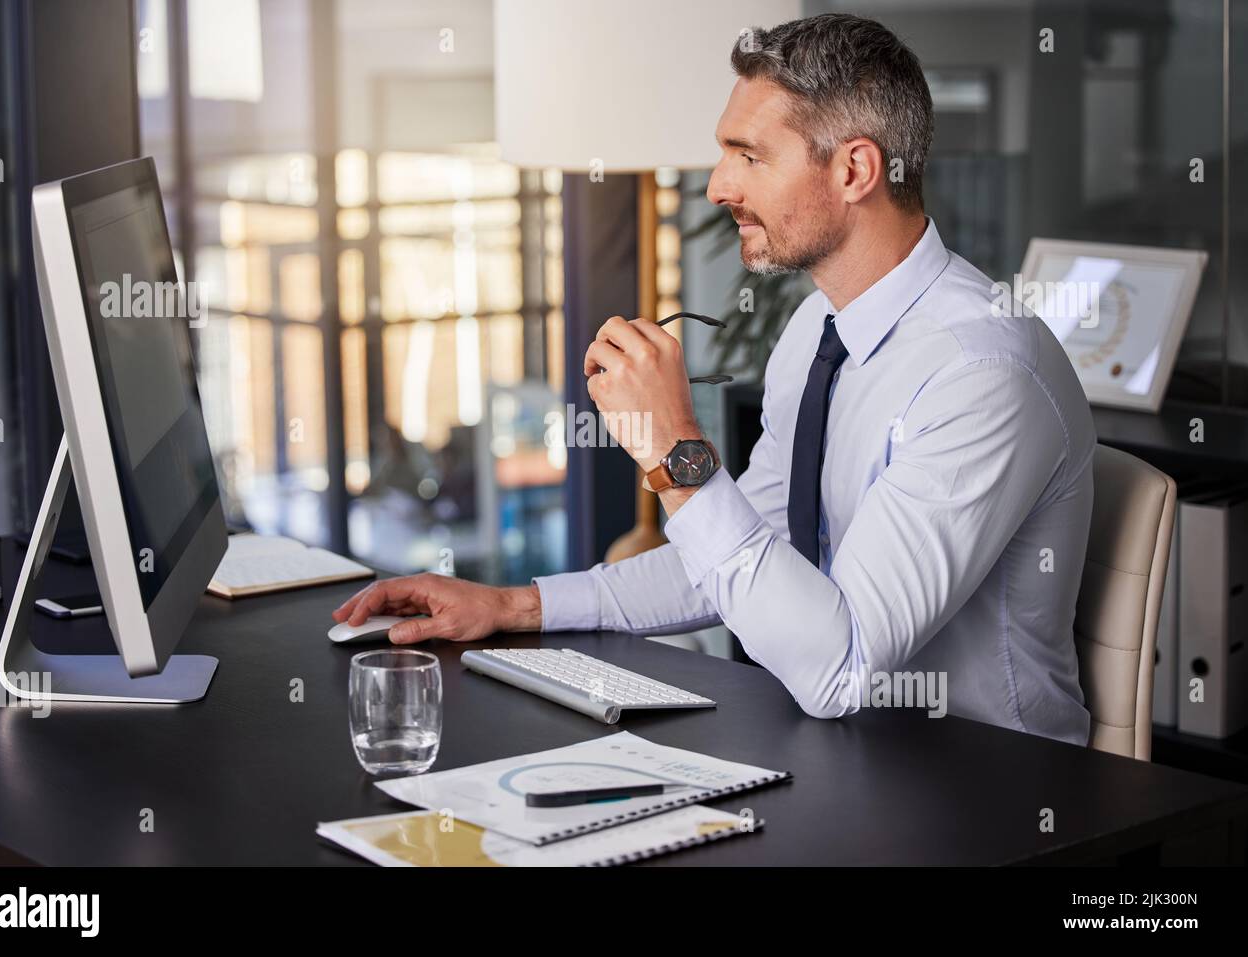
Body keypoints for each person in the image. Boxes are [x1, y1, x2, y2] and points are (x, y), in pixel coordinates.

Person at [333, 13, 1094, 745]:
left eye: (750, 155)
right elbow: (735, 556)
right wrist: (513, 605)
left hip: (988, 790)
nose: (717, 186)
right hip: (843, 753)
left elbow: (840, 665)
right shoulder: (815, 333)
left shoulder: (983, 373)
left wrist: (675, 449)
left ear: (856, 169)